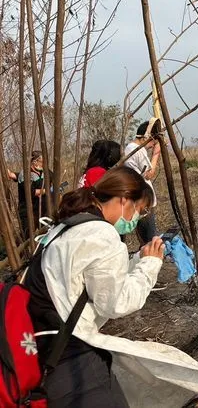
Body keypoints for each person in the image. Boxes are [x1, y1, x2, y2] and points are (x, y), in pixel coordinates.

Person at [23, 166, 164, 407]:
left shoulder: (68, 227)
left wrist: (136, 260)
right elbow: (116, 303)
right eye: (139, 211)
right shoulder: (103, 235)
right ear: (123, 200)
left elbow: (89, 280)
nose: (136, 220)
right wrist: (150, 265)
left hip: (41, 347)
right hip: (71, 358)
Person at [124, 120, 161, 245]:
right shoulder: (137, 150)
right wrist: (156, 152)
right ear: (147, 137)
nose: (152, 145)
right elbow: (149, 174)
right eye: (153, 141)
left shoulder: (129, 148)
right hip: (143, 200)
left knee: (144, 237)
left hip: (138, 198)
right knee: (149, 239)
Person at [17, 151, 49, 237]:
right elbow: (31, 192)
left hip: (41, 209)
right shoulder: (24, 174)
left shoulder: (43, 172)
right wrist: (46, 191)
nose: (43, 164)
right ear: (34, 162)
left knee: (45, 234)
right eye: (41, 162)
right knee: (26, 235)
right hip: (27, 210)